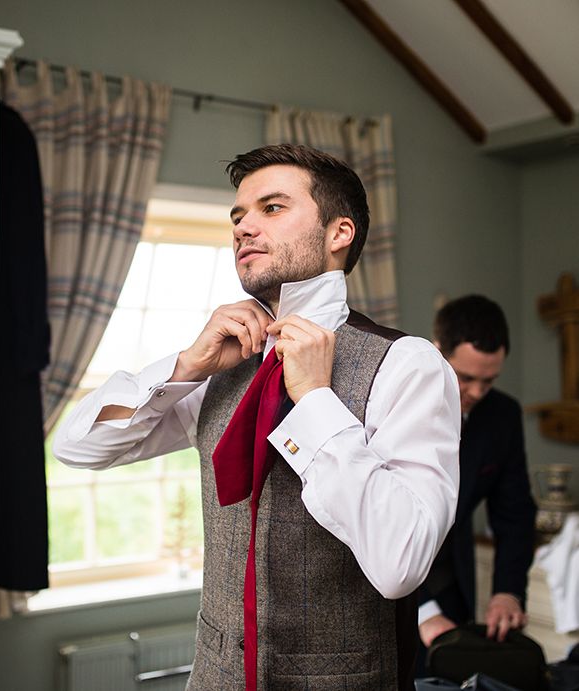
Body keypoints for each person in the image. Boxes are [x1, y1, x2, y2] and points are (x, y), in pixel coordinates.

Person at [54, 144, 460, 690]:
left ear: (340, 233)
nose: (244, 227)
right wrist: (186, 365)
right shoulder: (225, 362)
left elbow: (401, 561)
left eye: (271, 208)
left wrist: (315, 401)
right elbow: (79, 445)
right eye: (238, 215)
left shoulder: (408, 365)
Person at [417, 295, 537, 673]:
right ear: (438, 352)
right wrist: (421, 611)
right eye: (465, 377)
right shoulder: (396, 406)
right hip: (381, 588)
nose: (477, 392)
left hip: (452, 580)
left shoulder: (502, 416)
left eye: (489, 380)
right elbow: (367, 517)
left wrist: (508, 591)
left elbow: (514, 513)